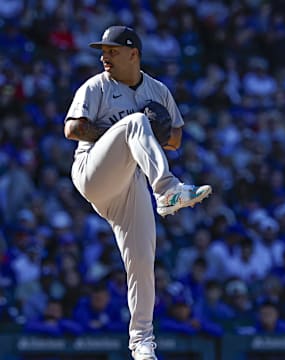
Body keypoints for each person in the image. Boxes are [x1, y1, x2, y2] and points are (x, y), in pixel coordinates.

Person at [63, 25, 212, 360]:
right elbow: (71, 128)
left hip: (129, 184)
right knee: (135, 123)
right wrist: (124, 129)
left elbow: (175, 139)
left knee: (142, 259)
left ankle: (142, 342)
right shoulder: (96, 86)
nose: (104, 57)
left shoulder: (158, 91)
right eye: (103, 51)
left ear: (134, 54)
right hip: (92, 172)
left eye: (112, 51)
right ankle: (168, 190)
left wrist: (157, 134)